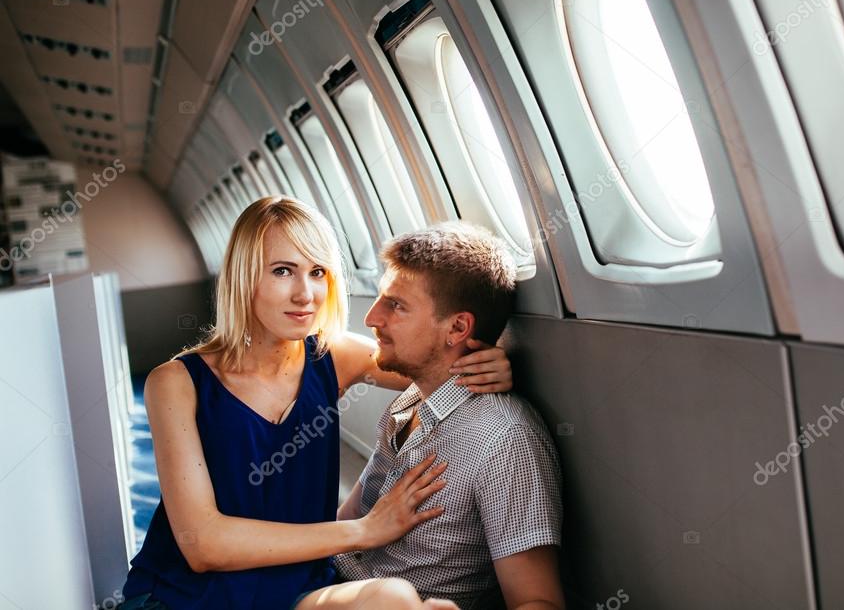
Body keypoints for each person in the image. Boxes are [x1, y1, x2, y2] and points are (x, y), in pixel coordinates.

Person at [120, 197, 516, 610]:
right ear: (243, 276)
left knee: (392, 597)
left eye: (317, 273)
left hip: (297, 588)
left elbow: (432, 360)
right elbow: (202, 546)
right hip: (186, 595)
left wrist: (491, 364)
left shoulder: (335, 357)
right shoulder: (175, 383)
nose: (305, 294)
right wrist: (366, 530)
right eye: (282, 271)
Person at [309, 223, 564, 610]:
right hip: (330, 579)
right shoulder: (408, 402)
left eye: (396, 305)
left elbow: (538, 601)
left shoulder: (503, 440)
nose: (372, 318)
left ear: (458, 327)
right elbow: (344, 523)